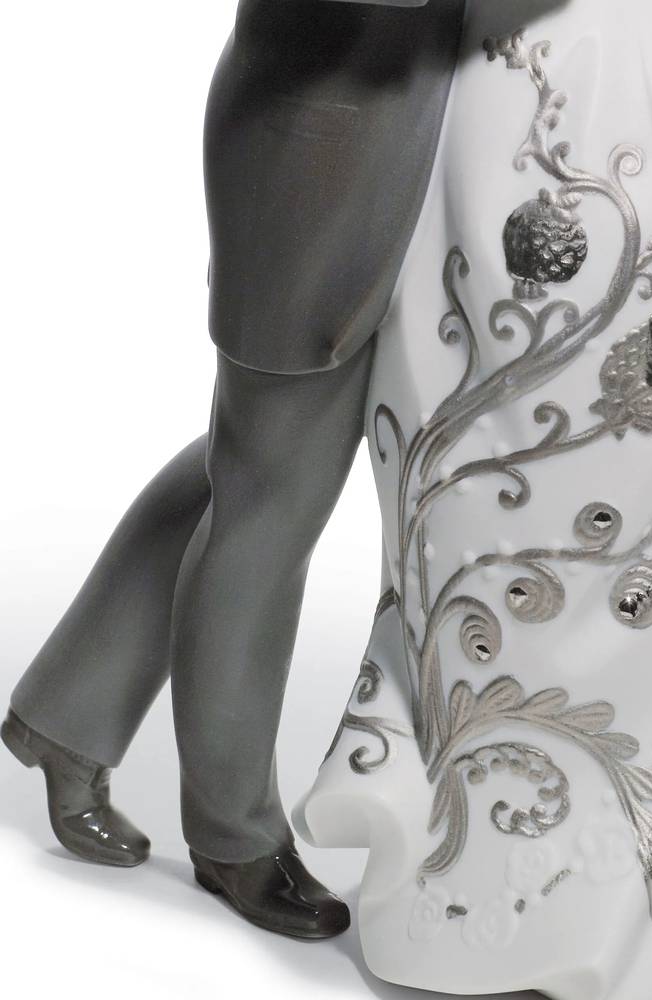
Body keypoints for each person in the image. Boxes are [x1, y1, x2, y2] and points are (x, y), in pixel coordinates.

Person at [2, 0, 464, 940]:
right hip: (313, 170)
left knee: (252, 465)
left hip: (372, 155)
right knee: (271, 498)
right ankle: (233, 836)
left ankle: (66, 718)